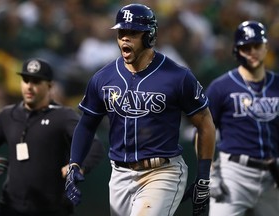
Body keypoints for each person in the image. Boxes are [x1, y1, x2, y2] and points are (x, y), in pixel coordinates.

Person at [65, 3, 216, 216]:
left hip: (162, 172)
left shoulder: (177, 76)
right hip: (119, 174)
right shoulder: (103, 77)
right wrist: (74, 164)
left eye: (133, 32)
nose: (125, 38)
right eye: (121, 32)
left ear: (150, 36)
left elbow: (204, 122)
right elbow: (87, 124)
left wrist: (203, 176)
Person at [0, 58, 105, 216]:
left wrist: (78, 165)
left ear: (50, 86)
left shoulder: (63, 116)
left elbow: (95, 145)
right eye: (26, 80)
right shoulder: (8, 115)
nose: (29, 86)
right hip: (11, 206)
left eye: (36, 81)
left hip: (51, 208)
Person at [207, 20, 279, 216]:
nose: (252, 51)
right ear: (237, 51)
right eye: (245, 47)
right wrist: (209, 174)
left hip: (273, 176)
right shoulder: (220, 87)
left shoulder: (277, 84)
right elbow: (204, 132)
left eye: (257, 45)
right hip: (234, 172)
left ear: (266, 47)